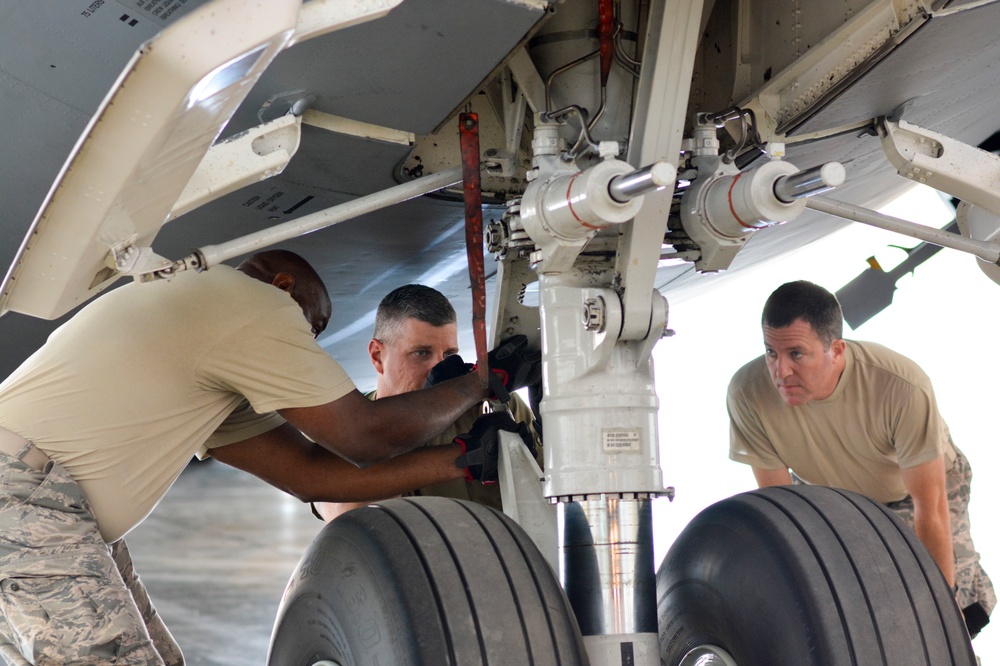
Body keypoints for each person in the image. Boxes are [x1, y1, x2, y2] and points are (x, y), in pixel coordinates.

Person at [0, 250, 538, 665]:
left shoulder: (209, 355)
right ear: (283, 287)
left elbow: (310, 475)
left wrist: (463, 458)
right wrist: (481, 382)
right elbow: (363, 437)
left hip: (47, 508)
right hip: (25, 503)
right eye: (310, 330)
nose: (307, 348)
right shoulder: (246, 304)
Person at [727, 279, 995, 637]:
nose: (781, 372)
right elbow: (784, 508)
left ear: (836, 350)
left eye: (796, 354)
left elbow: (929, 507)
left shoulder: (900, 385)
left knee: (951, 603)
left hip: (917, 486)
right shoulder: (748, 393)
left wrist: (942, 612)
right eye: (771, 353)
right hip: (835, 493)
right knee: (867, 600)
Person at [313, 284, 542, 522]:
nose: (438, 367)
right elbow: (349, 515)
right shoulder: (346, 425)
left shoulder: (494, 409)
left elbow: (557, 493)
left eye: (449, 355)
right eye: (421, 353)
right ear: (377, 357)